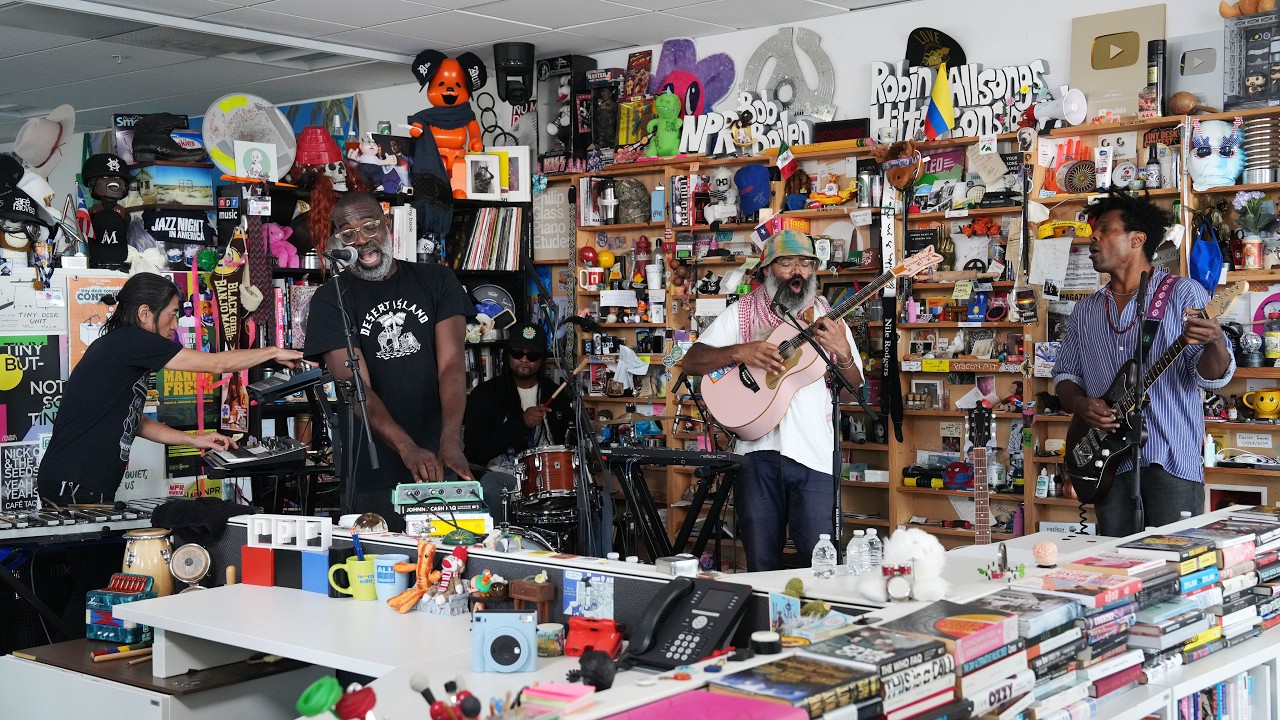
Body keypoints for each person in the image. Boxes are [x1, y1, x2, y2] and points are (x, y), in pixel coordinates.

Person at [680, 230, 864, 571]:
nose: (797, 271)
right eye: (787, 262)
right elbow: (691, 360)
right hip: (756, 455)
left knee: (820, 563)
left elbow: (853, 388)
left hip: (816, 456)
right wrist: (740, 351)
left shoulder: (828, 318)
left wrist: (844, 356)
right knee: (762, 560)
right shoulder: (742, 312)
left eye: (806, 263)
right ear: (767, 269)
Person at [1053, 191, 1233, 537]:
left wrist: (1215, 341)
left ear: (1137, 240)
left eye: (1105, 229)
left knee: (1174, 564)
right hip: (1108, 462)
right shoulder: (1086, 310)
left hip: (1170, 459)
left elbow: (1212, 377)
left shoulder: (1184, 294)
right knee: (1115, 567)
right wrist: (1081, 405)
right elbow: (1065, 376)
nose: (1093, 237)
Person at [37, 273, 303, 504]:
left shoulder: (120, 346)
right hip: (74, 482)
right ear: (144, 314)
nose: (175, 325)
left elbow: (134, 422)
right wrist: (273, 351)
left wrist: (194, 439)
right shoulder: (132, 342)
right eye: (172, 314)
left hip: (77, 480)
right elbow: (217, 363)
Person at [304, 192, 473, 531]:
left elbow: (452, 367)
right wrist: (406, 447)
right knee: (383, 571)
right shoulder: (330, 298)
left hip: (442, 454)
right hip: (373, 467)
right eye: (348, 234)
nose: (362, 241)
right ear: (339, 242)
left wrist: (450, 438)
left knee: (449, 565)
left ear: (387, 225)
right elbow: (354, 388)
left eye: (369, 227)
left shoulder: (437, 281)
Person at [463, 322, 571, 524]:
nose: (524, 359)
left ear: (542, 359)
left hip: (551, 476)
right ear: (507, 355)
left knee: (596, 497)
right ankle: (494, 550)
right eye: (517, 353)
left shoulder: (556, 395)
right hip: (504, 474)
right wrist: (520, 424)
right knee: (492, 488)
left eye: (532, 355)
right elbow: (474, 451)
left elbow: (568, 442)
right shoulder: (485, 395)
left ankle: (593, 554)